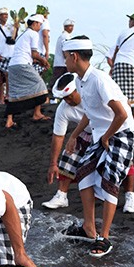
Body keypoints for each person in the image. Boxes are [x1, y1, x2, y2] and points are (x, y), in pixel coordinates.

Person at [62, 36, 134, 256]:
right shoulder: (80, 80)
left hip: (120, 133)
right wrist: (73, 136)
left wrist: (107, 137)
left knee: (108, 179)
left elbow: (121, 113)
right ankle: (88, 228)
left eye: (66, 58)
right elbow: (90, 112)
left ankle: (105, 237)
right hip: (104, 134)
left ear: (74, 56)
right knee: (83, 172)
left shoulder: (99, 80)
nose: (65, 62)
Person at [42, 73, 87, 211]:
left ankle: (129, 194)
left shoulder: (91, 95)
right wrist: (53, 163)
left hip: (108, 130)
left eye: (69, 96)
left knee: (122, 162)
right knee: (69, 154)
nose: (67, 101)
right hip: (86, 133)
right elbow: (58, 136)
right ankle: (61, 195)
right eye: (64, 98)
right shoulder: (63, 108)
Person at [5, 13, 51, 129]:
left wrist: (39, 61)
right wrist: (44, 61)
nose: (40, 27)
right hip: (22, 64)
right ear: (35, 23)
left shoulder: (22, 34)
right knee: (41, 86)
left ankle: (9, 120)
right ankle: (36, 113)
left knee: (14, 93)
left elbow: (28, 55)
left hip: (13, 65)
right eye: (39, 24)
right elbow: (34, 54)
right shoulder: (33, 34)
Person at [0, 7, 16, 104]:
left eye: (6, 14)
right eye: (3, 14)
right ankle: (1, 98)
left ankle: (8, 96)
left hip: (10, 55)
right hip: (0, 55)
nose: (5, 16)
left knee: (8, 75)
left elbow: (14, 38)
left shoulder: (11, 26)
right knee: (0, 78)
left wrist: (16, 26)